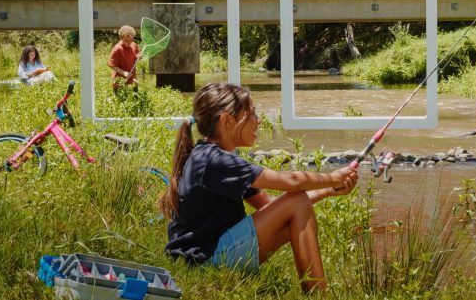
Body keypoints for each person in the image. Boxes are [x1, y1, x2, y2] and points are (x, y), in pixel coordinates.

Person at [160, 83, 358, 292]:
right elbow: (292, 181)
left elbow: (270, 205)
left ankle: (314, 292)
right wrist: (332, 178)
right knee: (298, 201)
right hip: (203, 261)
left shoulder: (214, 157)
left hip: (207, 254)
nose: (259, 120)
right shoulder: (215, 160)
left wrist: (328, 191)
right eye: (252, 114)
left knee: (296, 207)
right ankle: (319, 294)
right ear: (227, 121)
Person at [108, 25, 141, 92]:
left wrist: (139, 56)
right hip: (120, 82)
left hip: (133, 79)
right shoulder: (117, 49)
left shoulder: (133, 45)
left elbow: (137, 55)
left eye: (131, 40)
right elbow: (111, 65)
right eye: (126, 40)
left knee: (135, 97)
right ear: (121, 38)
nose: (129, 42)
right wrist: (124, 73)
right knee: (121, 97)